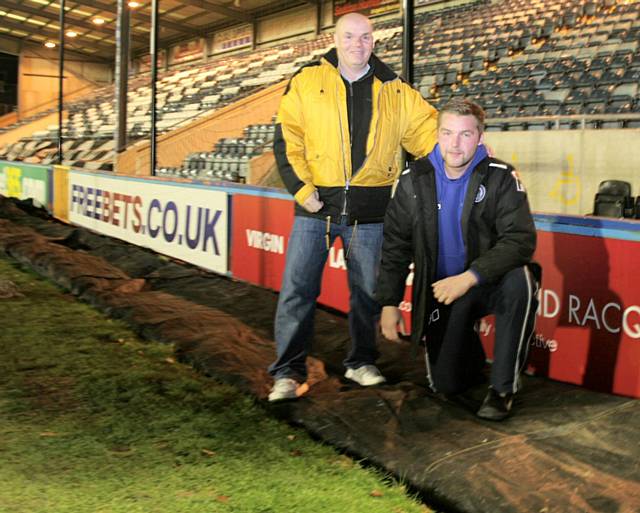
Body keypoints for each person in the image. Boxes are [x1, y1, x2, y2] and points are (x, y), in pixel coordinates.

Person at [268, 12, 438, 402]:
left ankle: (361, 361)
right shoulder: (307, 79)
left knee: (367, 293)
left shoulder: (395, 88)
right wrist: (300, 188)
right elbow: (287, 137)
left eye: (364, 37)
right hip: (315, 208)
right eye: (349, 36)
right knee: (297, 291)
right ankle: (288, 374)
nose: (356, 44)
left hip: (372, 213)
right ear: (335, 38)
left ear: (373, 42)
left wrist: (466, 149)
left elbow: (427, 133)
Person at [376, 98, 540, 420]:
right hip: (443, 291)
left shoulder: (501, 176)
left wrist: (470, 277)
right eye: (448, 133)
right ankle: (470, 356)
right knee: (447, 384)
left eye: (465, 135)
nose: (455, 144)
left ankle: (503, 388)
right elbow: (395, 244)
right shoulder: (413, 179)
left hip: (485, 281)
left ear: (480, 137)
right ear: (437, 134)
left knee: (521, 280)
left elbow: (521, 240)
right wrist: (389, 302)